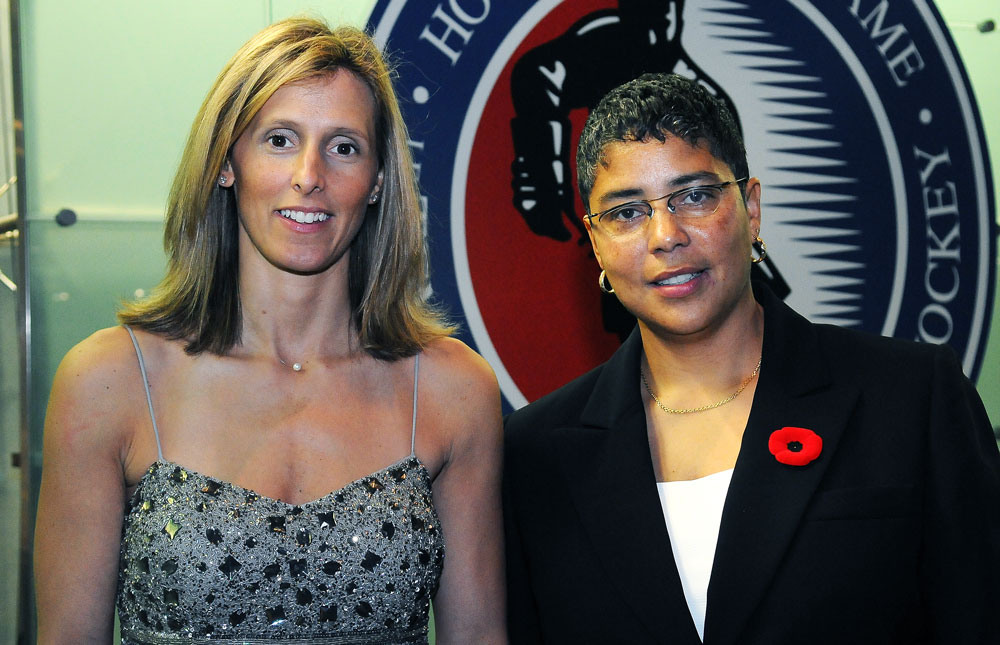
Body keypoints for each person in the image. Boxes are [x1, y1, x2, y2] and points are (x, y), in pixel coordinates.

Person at [34, 18, 505, 644]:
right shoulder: (108, 382)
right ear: (227, 163)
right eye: (280, 140)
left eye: (344, 147)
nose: (310, 175)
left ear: (378, 182)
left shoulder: (453, 389)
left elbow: (479, 637)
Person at [503, 72, 1000, 644]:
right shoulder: (534, 455)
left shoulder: (913, 397)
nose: (666, 236)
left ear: (751, 207)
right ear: (595, 242)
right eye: (626, 212)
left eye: (693, 195)